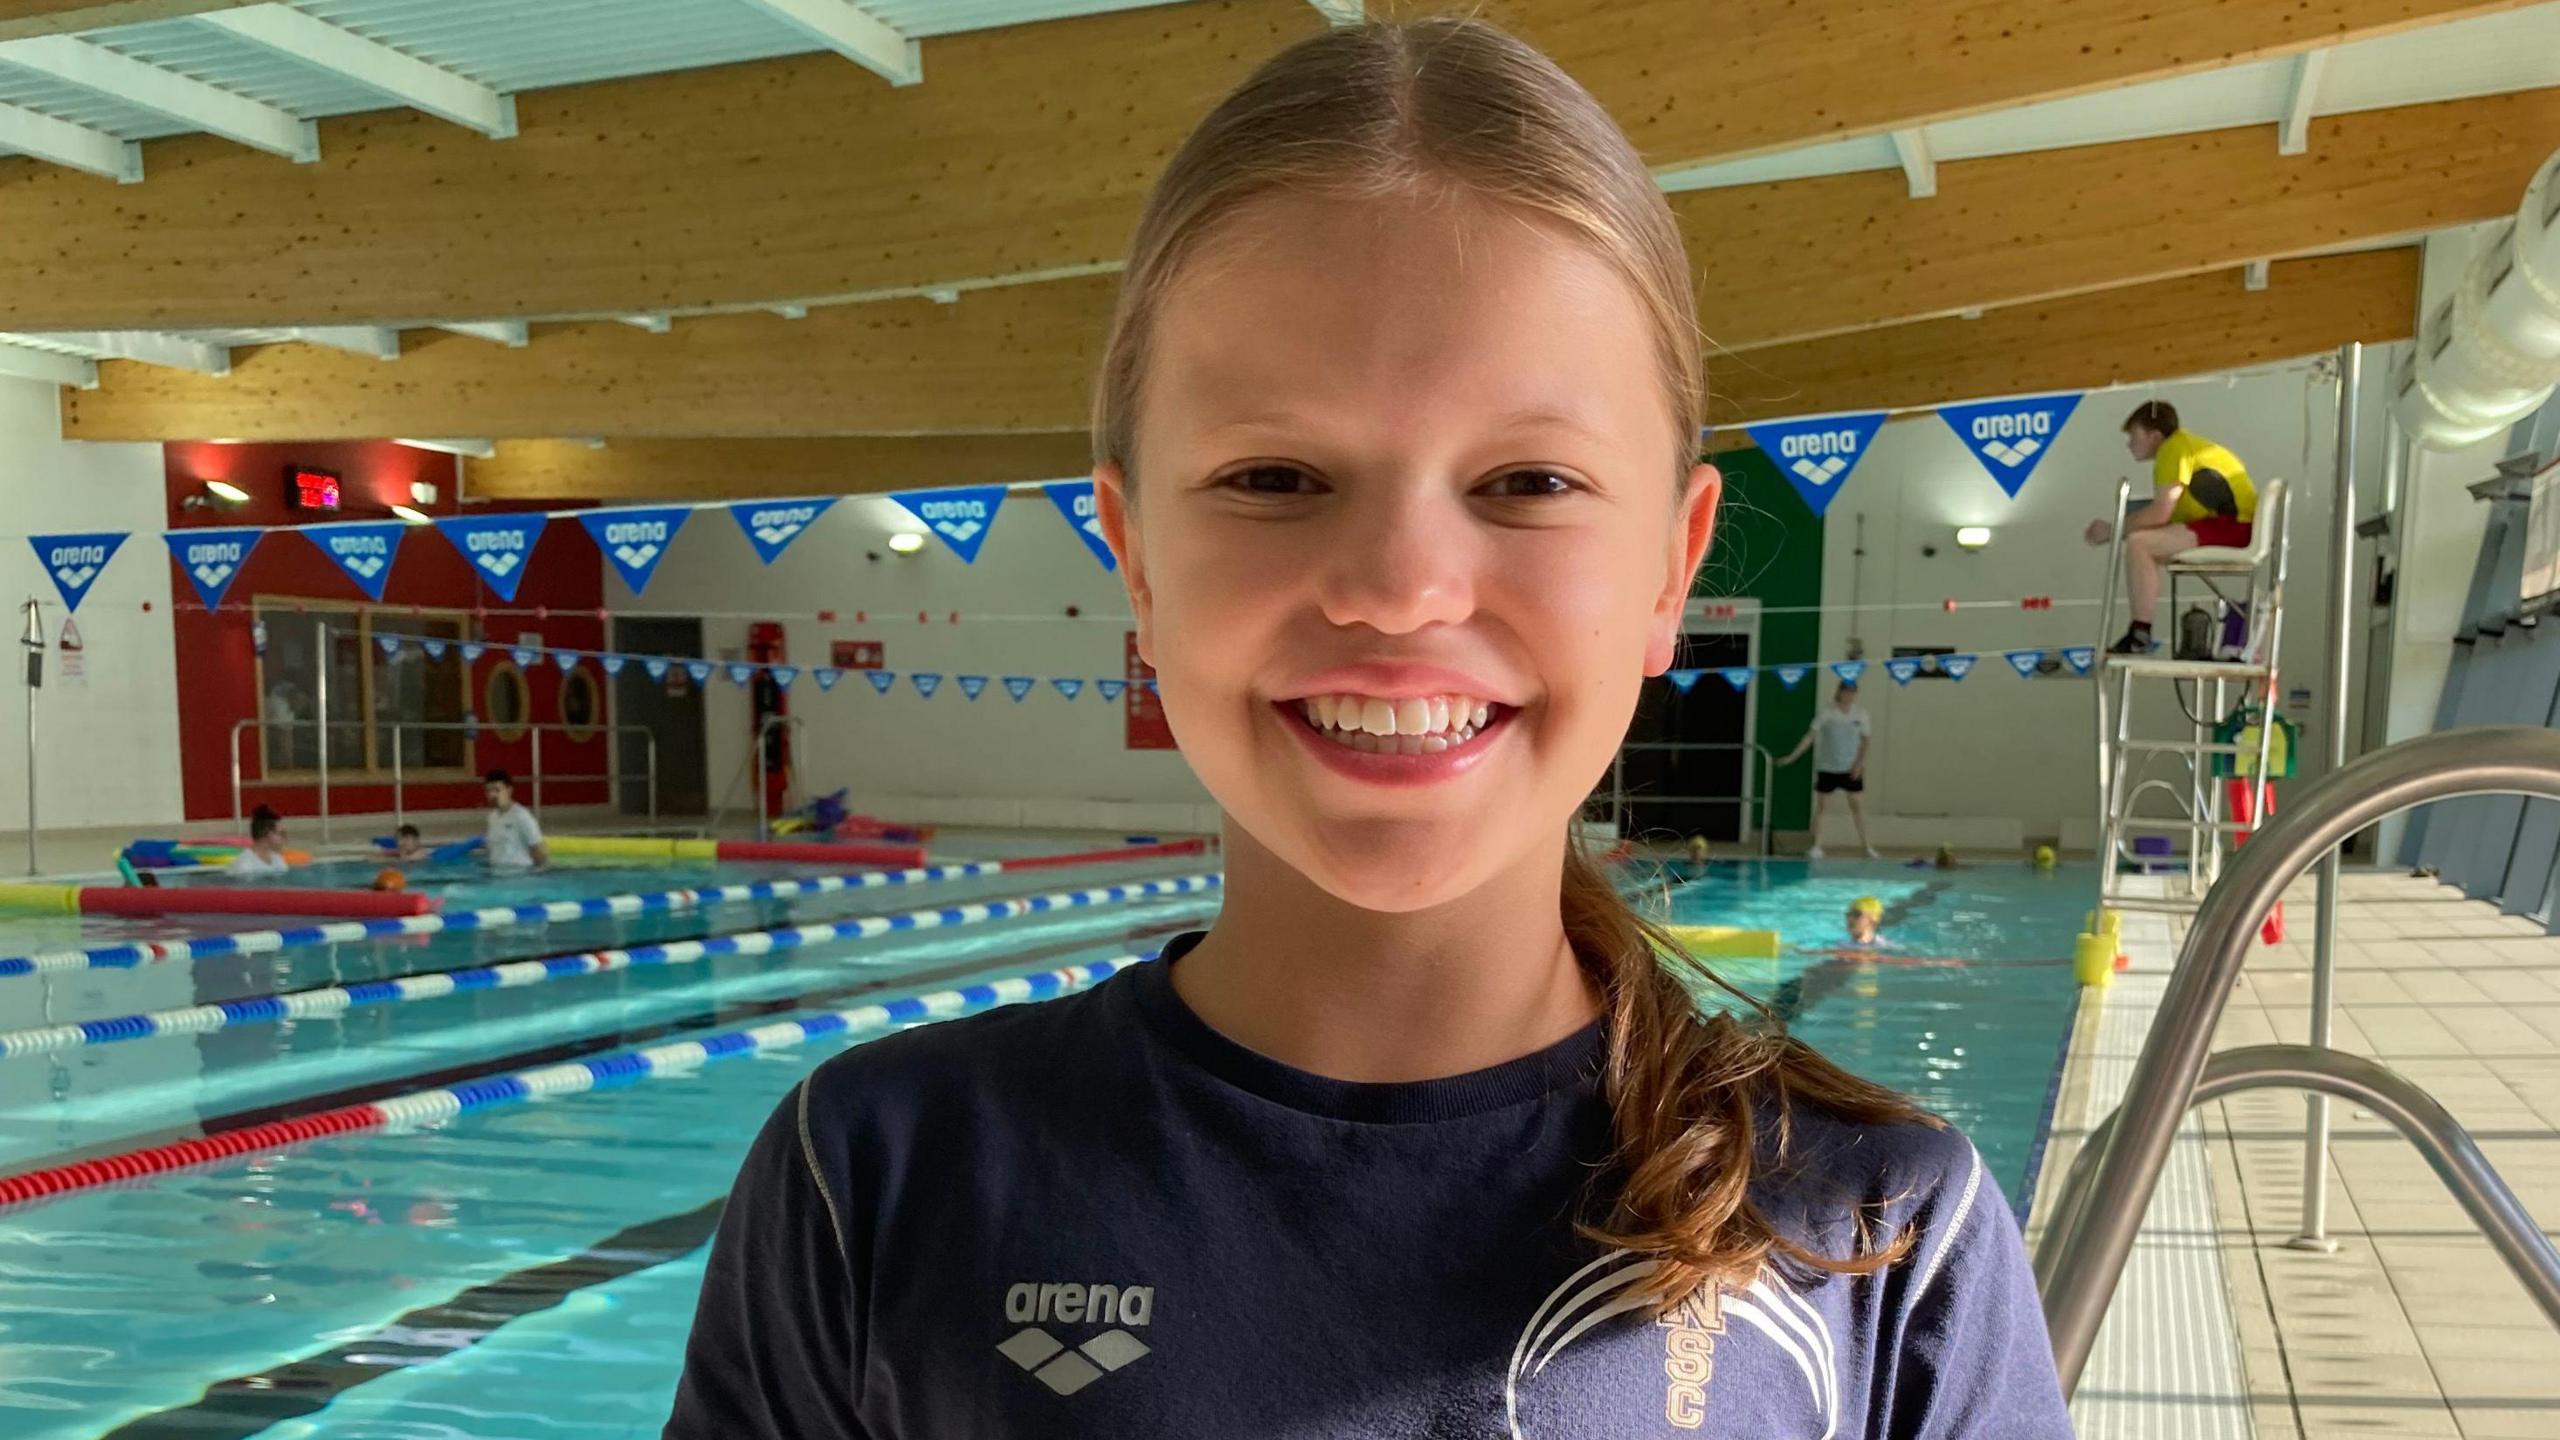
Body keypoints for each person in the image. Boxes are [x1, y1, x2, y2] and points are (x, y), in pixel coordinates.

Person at [666, 20, 2070, 1439]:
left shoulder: (1876, 1245)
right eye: (1275, 476)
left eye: (1527, 478)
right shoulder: (874, 1189)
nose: (1400, 590)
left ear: (1671, 567)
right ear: (1135, 558)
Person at [2084, 400, 2257, 654]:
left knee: (2140, 543)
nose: (2129, 444)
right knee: (2142, 543)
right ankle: (2139, 631)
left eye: (2134, 435)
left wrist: (2112, 531)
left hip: (2235, 526)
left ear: (2154, 435)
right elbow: (2168, 510)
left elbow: (2159, 513)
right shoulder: (2183, 446)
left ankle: (2139, 633)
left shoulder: (2173, 449)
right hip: (2231, 523)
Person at [1776, 680, 1879, 859]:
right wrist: (1791, 757)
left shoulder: (1861, 713)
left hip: (1851, 768)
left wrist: (1859, 765)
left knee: (1858, 807)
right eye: (1846, 691)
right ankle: (1817, 846)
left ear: (1855, 694)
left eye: (1852, 692)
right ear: (1839, 691)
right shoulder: (1827, 712)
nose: (1848, 695)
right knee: (1822, 808)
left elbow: (1866, 742)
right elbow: (1810, 737)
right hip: (1828, 767)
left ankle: (1867, 847)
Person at [482, 769, 547, 869]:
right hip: (497, 876)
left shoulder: (522, 816)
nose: (492, 795)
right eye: (489, 790)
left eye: (497, 790)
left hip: (519, 878)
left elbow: (540, 850)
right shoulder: (492, 817)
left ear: (509, 790)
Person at [228, 805, 290, 877]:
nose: (284, 839)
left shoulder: (278, 860)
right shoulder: (245, 866)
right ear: (267, 834)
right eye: (280, 834)